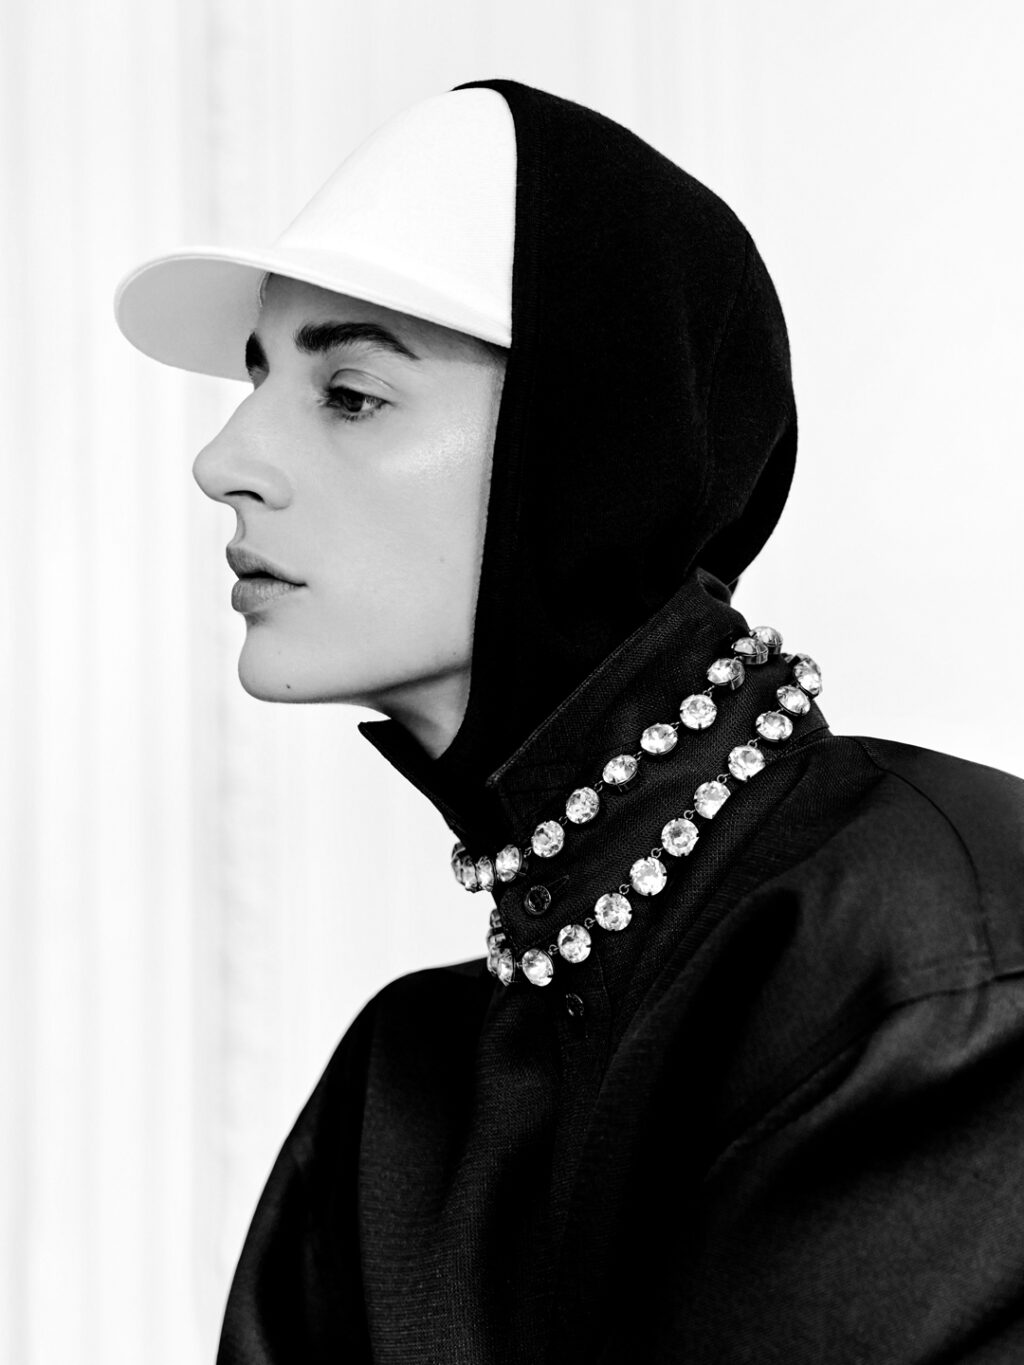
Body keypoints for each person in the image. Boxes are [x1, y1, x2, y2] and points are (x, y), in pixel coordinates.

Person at [114, 78, 1024, 1365]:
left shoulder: (926, 946)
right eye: (258, 377)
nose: (225, 461)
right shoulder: (397, 1097)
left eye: (351, 394)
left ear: (593, 444)